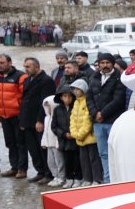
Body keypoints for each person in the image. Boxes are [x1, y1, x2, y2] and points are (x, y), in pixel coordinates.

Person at [86, 52, 127, 183]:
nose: (105, 65)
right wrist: (95, 113)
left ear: (113, 64)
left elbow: (118, 100)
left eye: (107, 63)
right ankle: (108, 180)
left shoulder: (119, 78)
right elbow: (89, 97)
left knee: (117, 152)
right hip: (98, 123)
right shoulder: (94, 77)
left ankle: (120, 180)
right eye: (102, 63)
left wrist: (102, 114)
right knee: (103, 153)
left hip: (112, 121)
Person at [19, 57, 55, 183]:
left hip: (39, 120)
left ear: (37, 67)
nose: (26, 69)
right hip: (27, 120)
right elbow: (24, 101)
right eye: (25, 66)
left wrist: (40, 120)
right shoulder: (27, 80)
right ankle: (40, 171)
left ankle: (48, 173)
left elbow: (44, 102)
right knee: (33, 149)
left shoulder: (46, 81)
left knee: (42, 148)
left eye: (28, 67)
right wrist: (22, 120)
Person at [0, 54, 28, 178]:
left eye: (2, 63)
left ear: (10, 62)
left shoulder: (20, 76)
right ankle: (14, 167)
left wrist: (23, 114)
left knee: (20, 143)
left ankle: (22, 169)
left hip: (17, 115)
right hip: (4, 115)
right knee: (10, 143)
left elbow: (25, 97)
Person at [69, 79, 103, 185]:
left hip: (89, 137)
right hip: (79, 137)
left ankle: (97, 179)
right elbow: (72, 119)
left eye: (77, 89)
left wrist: (80, 134)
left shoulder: (87, 101)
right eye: (74, 89)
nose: (75, 91)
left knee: (93, 159)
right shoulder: (76, 102)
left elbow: (88, 120)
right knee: (84, 160)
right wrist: (74, 133)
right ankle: (87, 179)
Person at [51, 85, 81, 188]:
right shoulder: (57, 110)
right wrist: (63, 134)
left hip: (75, 139)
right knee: (67, 161)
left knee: (77, 160)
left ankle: (78, 179)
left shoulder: (75, 108)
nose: (67, 99)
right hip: (64, 141)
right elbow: (54, 126)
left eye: (70, 96)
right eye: (65, 96)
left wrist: (74, 133)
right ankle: (69, 179)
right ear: (61, 97)